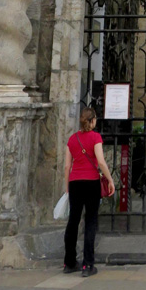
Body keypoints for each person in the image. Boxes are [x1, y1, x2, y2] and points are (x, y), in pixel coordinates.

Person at [63, 106, 115, 276]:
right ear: (92, 121)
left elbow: (67, 166)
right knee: (91, 221)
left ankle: (69, 262)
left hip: (75, 183)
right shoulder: (95, 137)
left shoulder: (72, 139)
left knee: (73, 221)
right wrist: (110, 179)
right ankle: (87, 265)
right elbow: (100, 161)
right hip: (91, 182)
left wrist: (66, 187)